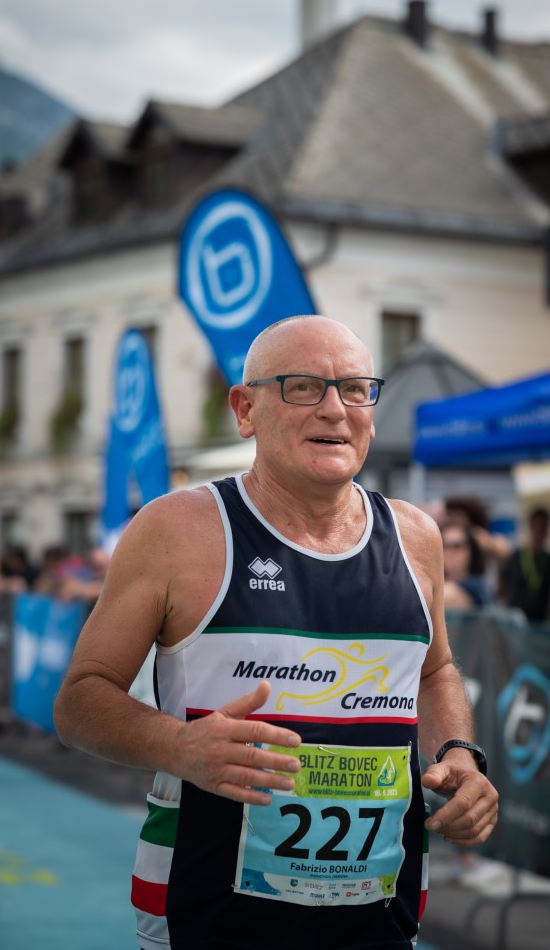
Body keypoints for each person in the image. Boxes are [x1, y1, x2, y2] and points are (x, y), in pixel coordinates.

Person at [54, 315, 499, 950]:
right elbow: (79, 701)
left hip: (379, 918)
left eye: (355, 389)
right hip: (207, 916)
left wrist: (458, 753)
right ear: (245, 410)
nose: (335, 409)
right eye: (303, 387)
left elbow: (435, 671)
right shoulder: (178, 529)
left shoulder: (415, 536)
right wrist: (178, 746)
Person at [499, 506, 550, 622]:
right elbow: (500, 589)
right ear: (530, 526)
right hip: (514, 623)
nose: (539, 530)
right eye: (537, 525)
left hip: (541, 624)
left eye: (543, 526)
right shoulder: (514, 558)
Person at [440, 521, 493, 610]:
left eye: (457, 546)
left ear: (470, 551)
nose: (450, 552)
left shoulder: (477, 585)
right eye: (445, 545)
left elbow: (441, 596)